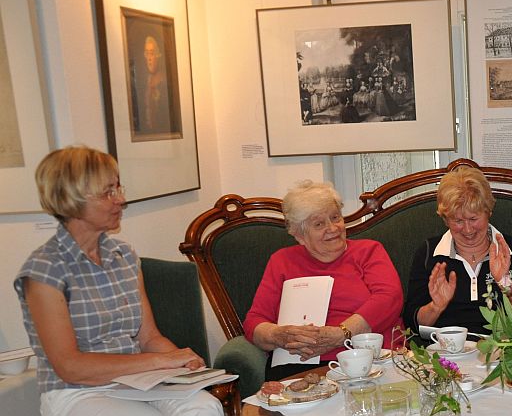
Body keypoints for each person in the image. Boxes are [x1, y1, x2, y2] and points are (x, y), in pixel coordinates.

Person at [14, 146, 221, 416]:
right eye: (107, 193)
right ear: (71, 200)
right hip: (77, 390)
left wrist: (185, 364)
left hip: (137, 380)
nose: (121, 200)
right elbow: (70, 367)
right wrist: (160, 361)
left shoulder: (123, 255)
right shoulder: (44, 270)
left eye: (118, 188)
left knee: (205, 406)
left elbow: (149, 337)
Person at [244, 180, 403, 381]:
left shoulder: (368, 251)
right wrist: (279, 335)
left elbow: (389, 298)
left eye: (335, 217)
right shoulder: (281, 261)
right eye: (319, 224)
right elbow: (254, 321)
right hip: (299, 363)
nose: (333, 228)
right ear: (299, 234)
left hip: (366, 358)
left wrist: (341, 334)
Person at [402, 166, 512, 338]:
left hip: (504, 348)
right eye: (458, 221)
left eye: (473, 219)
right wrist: (435, 307)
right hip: (443, 350)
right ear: (445, 220)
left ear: (488, 212)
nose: (468, 230)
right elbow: (411, 323)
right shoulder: (428, 253)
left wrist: (506, 285)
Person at [135, 36, 175, 136]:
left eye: (152, 53)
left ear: (158, 56)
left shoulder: (164, 82)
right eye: (147, 53)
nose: (149, 58)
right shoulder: (144, 81)